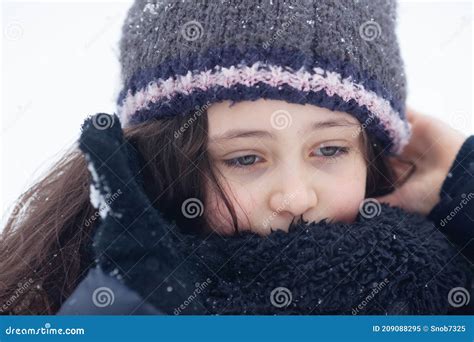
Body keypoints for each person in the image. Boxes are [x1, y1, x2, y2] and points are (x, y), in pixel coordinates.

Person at [1, 0, 472, 315]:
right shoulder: (67, 291)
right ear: (166, 163)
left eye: (330, 149)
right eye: (245, 158)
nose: (295, 196)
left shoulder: (440, 285)